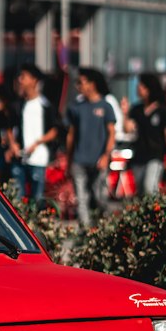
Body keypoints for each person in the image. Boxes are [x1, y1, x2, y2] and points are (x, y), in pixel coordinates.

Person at [65, 67, 116, 224]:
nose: (78, 86)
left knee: (99, 196)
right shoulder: (76, 108)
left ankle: (105, 223)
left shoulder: (106, 106)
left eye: (81, 82)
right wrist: (69, 160)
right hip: (79, 160)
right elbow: (71, 135)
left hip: (99, 160)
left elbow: (112, 133)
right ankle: (85, 230)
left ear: (92, 84)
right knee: (81, 198)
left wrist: (106, 156)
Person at [9, 64, 58, 205]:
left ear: (34, 80)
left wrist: (37, 143)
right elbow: (9, 127)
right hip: (19, 157)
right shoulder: (17, 105)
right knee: (17, 198)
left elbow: (54, 130)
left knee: (37, 198)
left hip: (38, 158)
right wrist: (13, 144)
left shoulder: (45, 105)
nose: (20, 80)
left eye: (24, 77)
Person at [124, 72, 166, 196]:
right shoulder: (136, 110)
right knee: (141, 191)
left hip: (155, 156)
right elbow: (128, 129)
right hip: (139, 156)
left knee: (150, 187)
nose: (138, 88)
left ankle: (157, 213)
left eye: (141, 86)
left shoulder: (162, 110)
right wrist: (125, 113)